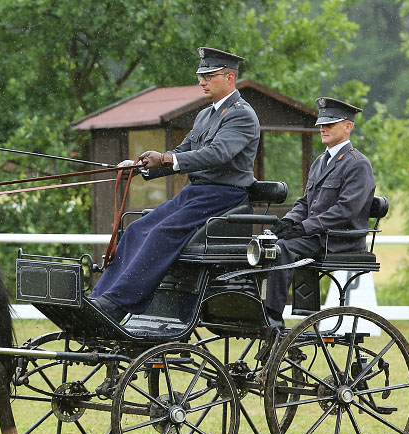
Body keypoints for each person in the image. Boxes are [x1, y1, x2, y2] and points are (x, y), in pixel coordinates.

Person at [88, 47, 260, 323]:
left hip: (224, 196)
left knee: (161, 233)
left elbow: (217, 154)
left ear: (229, 78)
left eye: (208, 76)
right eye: (200, 76)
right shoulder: (206, 115)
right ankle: (99, 298)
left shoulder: (241, 115)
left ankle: (117, 304)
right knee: (135, 230)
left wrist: (166, 158)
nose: (201, 82)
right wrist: (138, 166)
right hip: (196, 194)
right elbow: (183, 151)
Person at [262, 97, 375, 328]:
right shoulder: (321, 160)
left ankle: (272, 315)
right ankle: (259, 306)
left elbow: (346, 209)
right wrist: (285, 224)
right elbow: (305, 202)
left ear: (348, 126)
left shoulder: (357, 164)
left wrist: (304, 227)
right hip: (317, 236)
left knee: (283, 248)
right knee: (268, 244)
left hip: (339, 240)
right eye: (321, 124)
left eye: (330, 124)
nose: (322, 128)